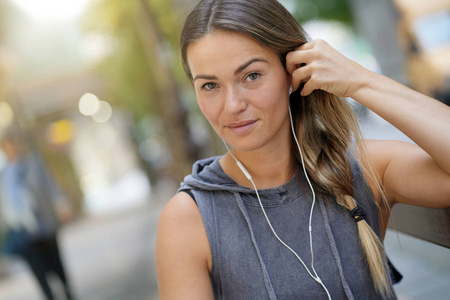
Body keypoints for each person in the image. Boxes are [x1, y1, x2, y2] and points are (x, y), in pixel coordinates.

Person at [155, 0, 450, 299]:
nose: (232, 105)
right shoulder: (189, 219)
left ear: (293, 72)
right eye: (210, 86)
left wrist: (361, 81)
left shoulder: (359, 168)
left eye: (252, 76)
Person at [0, 131, 75, 300]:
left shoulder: (34, 164)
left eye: (13, 145)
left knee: (57, 265)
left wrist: (62, 204)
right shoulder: (4, 175)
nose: (11, 149)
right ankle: (49, 296)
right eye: (7, 147)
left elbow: (50, 186)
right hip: (23, 232)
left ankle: (69, 293)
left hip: (43, 226)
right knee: (38, 271)